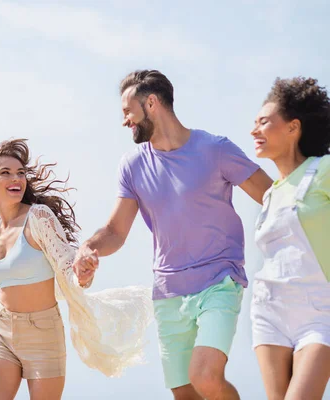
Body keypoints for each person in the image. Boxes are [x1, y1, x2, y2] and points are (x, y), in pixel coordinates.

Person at [73, 70, 273, 400]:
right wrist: (88, 247)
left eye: (128, 111)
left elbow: (270, 195)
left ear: (151, 103)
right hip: (168, 292)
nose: (125, 120)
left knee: (206, 376)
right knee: (185, 392)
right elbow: (115, 231)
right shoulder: (132, 166)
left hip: (219, 282)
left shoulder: (215, 149)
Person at [0, 139, 153, 400]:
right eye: (6, 173)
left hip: (43, 334)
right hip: (2, 330)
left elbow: (67, 264)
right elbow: (3, 278)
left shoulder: (38, 217)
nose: (16, 179)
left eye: (20, 173)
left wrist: (82, 273)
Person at [250, 77, 330, 400]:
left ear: (293, 127)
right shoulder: (270, 194)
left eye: (263, 122)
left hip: (319, 312)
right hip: (269, 311)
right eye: (253, 123)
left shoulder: (322, 171)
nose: (254, 130)